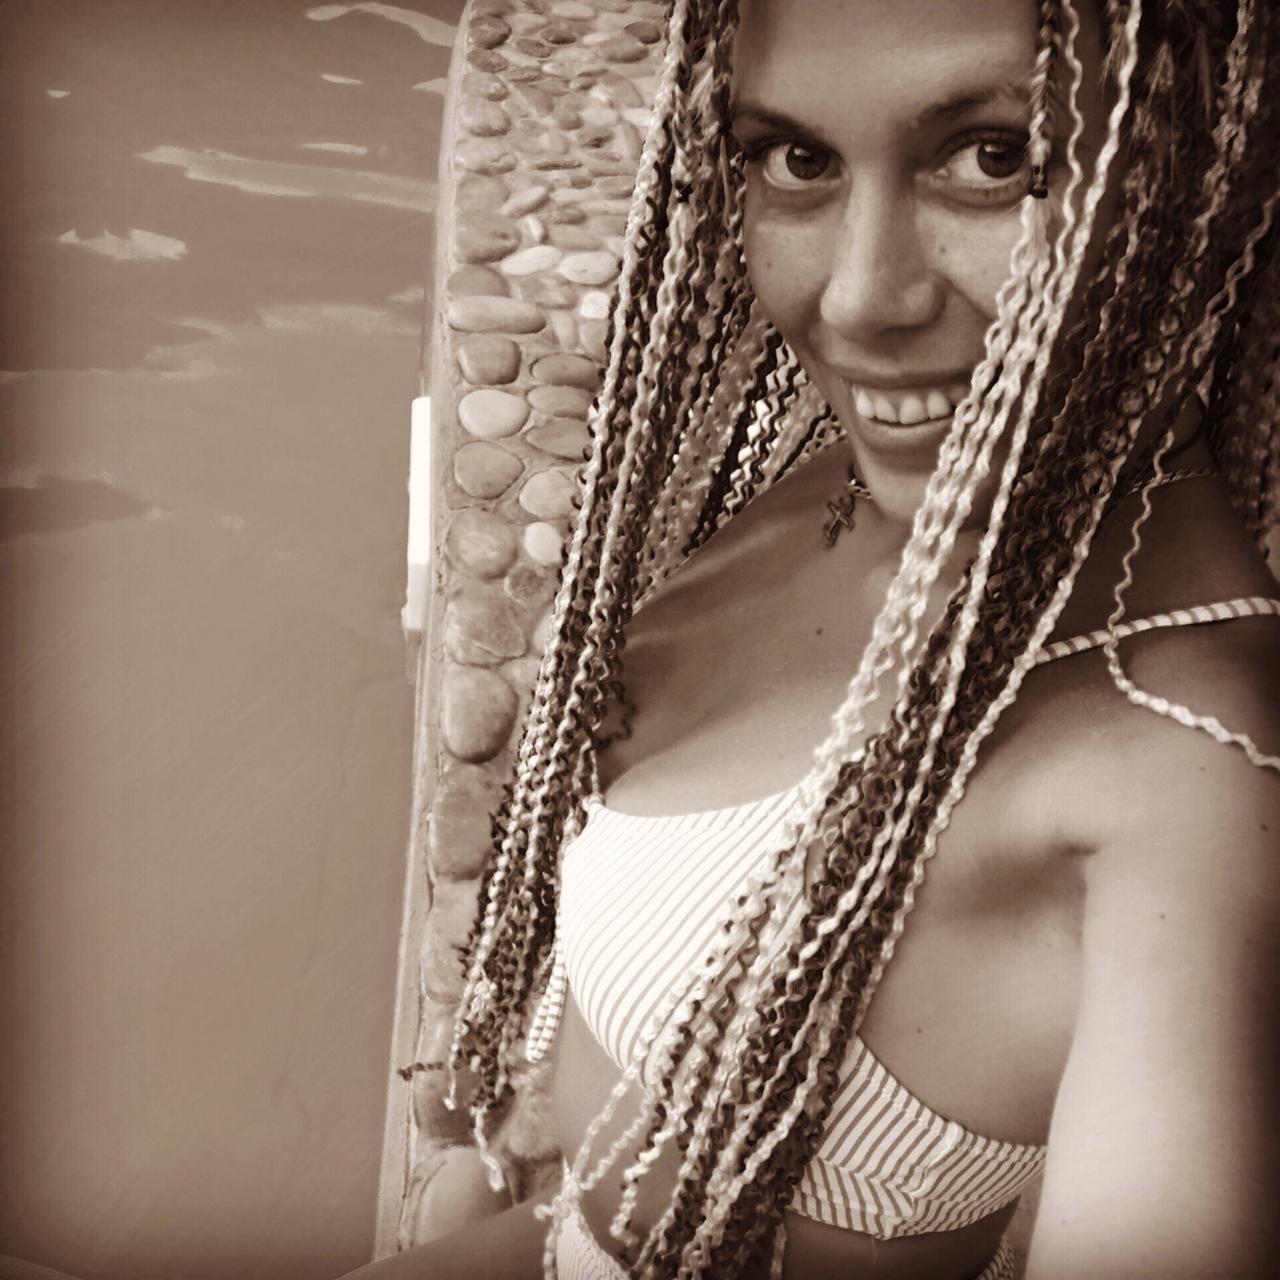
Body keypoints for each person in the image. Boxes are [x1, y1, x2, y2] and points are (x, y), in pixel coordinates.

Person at [351, 0, 1280, 1275]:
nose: (858, 298)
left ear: (1204, 158)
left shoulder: (1187, 779)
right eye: (796, 157)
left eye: (994, 155)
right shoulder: (848, 458)